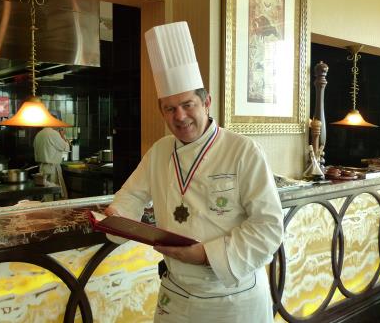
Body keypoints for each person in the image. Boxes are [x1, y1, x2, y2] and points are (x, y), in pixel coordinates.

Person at [104, 21, 283, 322]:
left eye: (187, 105)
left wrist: (205, 254)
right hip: (176, 294)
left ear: (207, 102)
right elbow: (132, 195)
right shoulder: (160, 151)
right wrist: (115, 215)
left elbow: (268, 227)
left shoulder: (243, 151)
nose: (180, 116)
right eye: (169, 108)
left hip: (232, 296)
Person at [33, 125, 70, 199]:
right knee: (53, 195)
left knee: (44, 194)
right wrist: (62, 136)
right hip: (52, 168)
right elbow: (66, 147)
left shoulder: (39, 134)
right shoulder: (53, 133)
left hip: (42, 168)